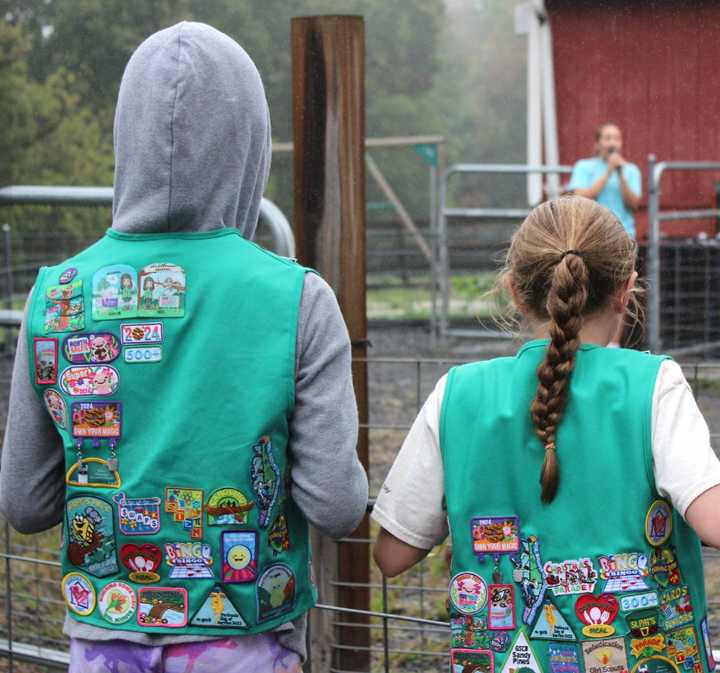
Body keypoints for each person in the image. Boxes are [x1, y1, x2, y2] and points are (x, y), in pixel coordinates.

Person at [0, 22, 368, 673]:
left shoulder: (55, 297)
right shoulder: (298, 299)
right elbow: (335, 504)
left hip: (103, 632)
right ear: (248, 145)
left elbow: (25, 504)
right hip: (248, 636)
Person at [372, 196, 720, 673]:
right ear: (626, 290)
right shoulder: (655, 385)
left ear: (515, 292)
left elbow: (393, 554)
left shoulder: (458, 394)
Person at [567, 123, 641, 238]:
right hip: (591, 235)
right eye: (607, 138)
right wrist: (608, 172)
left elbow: (634, 205)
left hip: (623, 234)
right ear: (597, 143)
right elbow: (580, 199)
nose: (612, 143)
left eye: (616, 139)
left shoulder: (631, 170)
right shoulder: (583, 166)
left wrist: (620, 173)